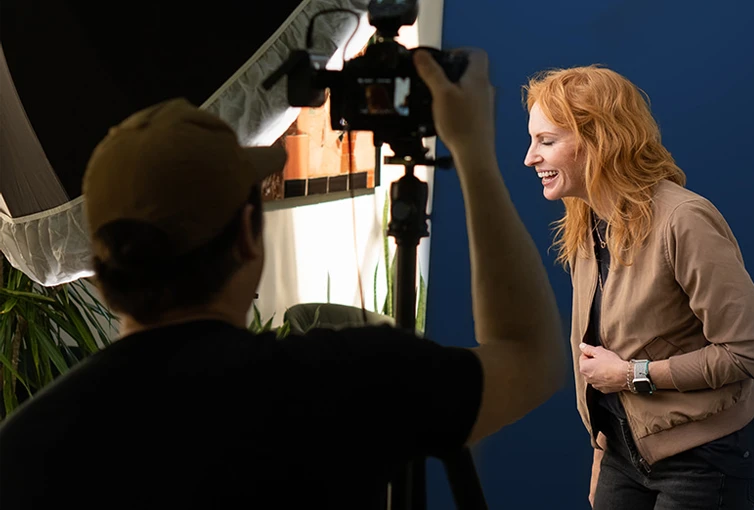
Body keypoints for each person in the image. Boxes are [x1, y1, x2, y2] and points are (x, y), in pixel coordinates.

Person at [0, 48, 566, 509]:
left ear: (100, 266)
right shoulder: (343, 383)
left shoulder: (25, 447)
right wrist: (473, 152)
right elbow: (529, 356)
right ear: (247, 238)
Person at [523, 65, 754, 509]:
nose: (530, 158)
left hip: (704, 459)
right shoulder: (587, 220)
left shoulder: (683, 219)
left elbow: (752, 353)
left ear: (599, 140)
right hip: (625, 453)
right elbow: (601, 348)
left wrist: (631, 375)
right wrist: (603, 452)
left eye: (547, 141)